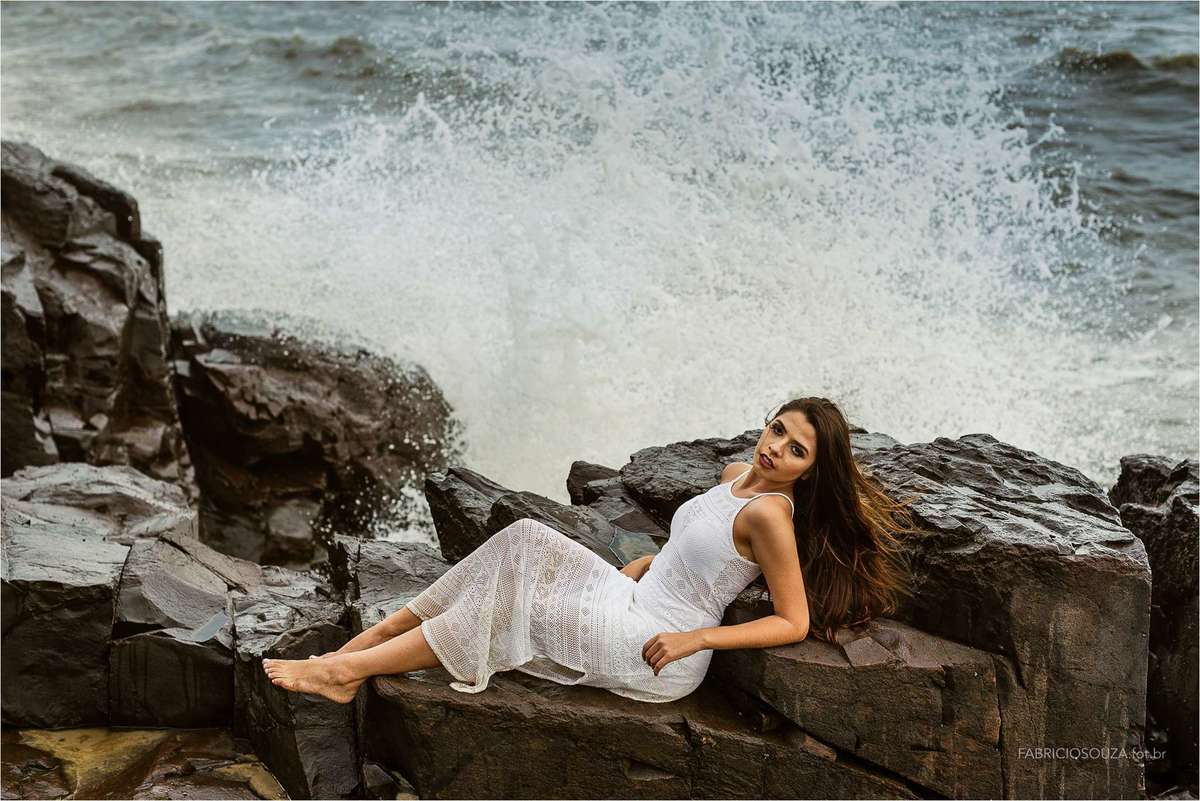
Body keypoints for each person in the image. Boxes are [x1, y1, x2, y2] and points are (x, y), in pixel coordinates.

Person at [262, 397, 920, 704]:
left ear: (809, 469)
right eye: (778, 429)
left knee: (514, 601)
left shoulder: (774, 514)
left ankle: (347, 671)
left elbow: (793, 621)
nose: (775, 447)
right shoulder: (730, 476)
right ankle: (376, 636)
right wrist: (650, 560)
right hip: (634, 594)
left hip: (658, 648)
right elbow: (702, 543)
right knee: (523, 538)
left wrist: (697, 641)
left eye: (796, 449)